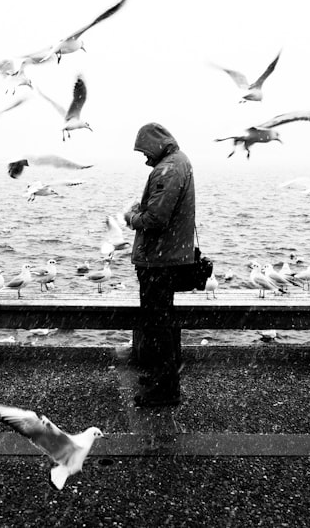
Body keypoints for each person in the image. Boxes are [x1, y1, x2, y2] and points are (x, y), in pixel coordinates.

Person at [124, 122, 196, 407]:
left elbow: (155, 219)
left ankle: (165, 389)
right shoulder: (179, 162)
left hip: (159, 260)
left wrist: (132, 217)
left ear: (155, 145)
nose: (144, 158)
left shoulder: (168, 169)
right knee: (160, 323)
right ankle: (161, 378)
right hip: (168, 256)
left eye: (145, 151)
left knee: (158, 325)